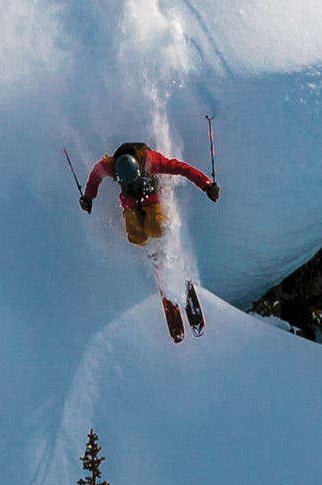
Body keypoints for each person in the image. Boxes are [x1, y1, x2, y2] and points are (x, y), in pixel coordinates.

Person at [80, 140, 220, 342]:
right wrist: (88, 198)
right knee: (136, 235)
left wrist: (207, 185)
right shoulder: (109, 166)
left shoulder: (151, 161)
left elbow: (181, 168)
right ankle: (154, 254)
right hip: (130, 202)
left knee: (156, 227)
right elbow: (95, 176)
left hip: (149, 197)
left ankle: (166, 247)